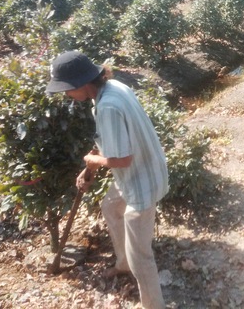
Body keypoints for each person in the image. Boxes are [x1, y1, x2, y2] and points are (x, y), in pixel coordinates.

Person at [46, 51, 168, 309]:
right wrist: (91, 163)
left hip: (141, 182)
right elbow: (111, 140)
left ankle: (153, 304)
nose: (66, 95)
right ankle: (122, 264)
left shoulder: (108, 106)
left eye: (66, 90)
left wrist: (92, 162)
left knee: (142, 259)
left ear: (80, 84)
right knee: (110, 207)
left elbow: (122, 160)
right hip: (142, 170)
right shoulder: (111, 88)